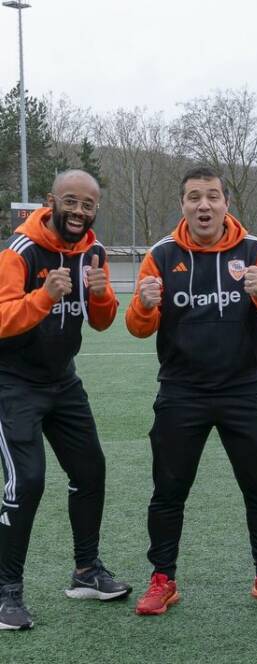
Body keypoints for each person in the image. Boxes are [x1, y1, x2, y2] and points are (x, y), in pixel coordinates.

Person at [126, 166, 257, 616]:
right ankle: (162, 578)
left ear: (225, 203)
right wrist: (143, 305)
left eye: (212, 196)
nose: (204, 205)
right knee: (168, 491)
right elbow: (137, 327)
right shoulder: (161, 255)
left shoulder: (254, 250)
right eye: (194, 197)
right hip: (182, 392)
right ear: (182, 204)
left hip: (245, 391)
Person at [0, 170, 131, 631]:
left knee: (91, 471)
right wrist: (44, 296)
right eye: (71, 201)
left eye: (88, 205)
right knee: (27, 481)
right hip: (12, 383)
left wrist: (101, 295)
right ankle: (6, 592)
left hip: (63, 382)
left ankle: (86, 572)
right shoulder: (18, 251)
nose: (79, 212)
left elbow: (101, 320)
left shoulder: (94, 252)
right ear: (51, 201)